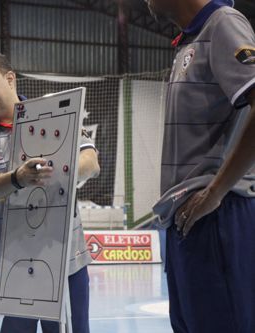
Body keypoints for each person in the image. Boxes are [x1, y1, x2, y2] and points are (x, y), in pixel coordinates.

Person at [0, 52, 100, 333]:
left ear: (10, 79)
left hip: (65, 264)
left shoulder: (58, 117)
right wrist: (18, 178)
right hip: (5, 270)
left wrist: (50, 170)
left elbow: (90, 163)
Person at [146, 0, 255, 332]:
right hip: (189, 218)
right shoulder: (189, 42)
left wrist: (216, 192)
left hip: (218, 215)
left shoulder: (223, 23)